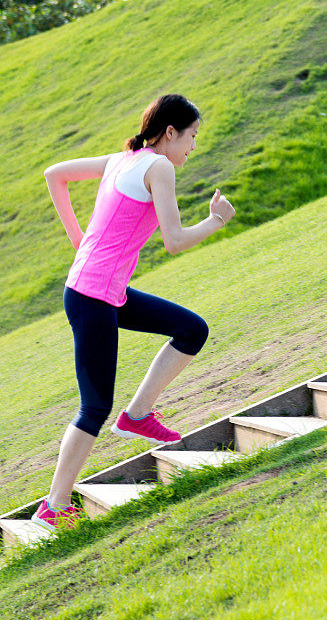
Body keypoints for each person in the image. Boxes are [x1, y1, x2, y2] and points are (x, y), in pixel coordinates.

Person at [33, 93, 235, 531]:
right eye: (192, 137)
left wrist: (79, 239)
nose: (192, 148)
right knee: (94, 406)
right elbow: (175, 240)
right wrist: (217, 220)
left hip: (104, 291)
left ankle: (139, 415)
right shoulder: (158, 167)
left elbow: (55, 175)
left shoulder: (122, 159)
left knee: (191, 329)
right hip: (93, 297)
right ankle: (55, 505)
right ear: (169, 133)